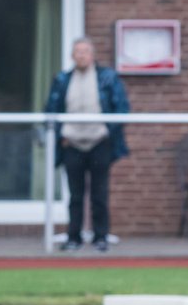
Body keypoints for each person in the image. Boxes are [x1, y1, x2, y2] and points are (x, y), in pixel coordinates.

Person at [43, 37, 130, 252]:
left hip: (99, 141)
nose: (81, 55)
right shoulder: (63, 79)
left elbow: (121, 108)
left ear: (92, 55)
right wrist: (61, 135)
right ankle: (74, 237)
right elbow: (51, 108)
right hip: (71, 142)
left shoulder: (107, 78)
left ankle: (101, 237)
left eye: (85, 51)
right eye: (77, 51)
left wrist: (108, 134)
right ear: (72, 56)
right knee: (75, 194)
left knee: (100, 193)